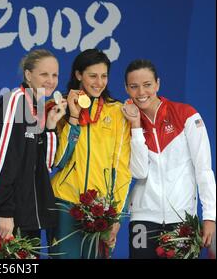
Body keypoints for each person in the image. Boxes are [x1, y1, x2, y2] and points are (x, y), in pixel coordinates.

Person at [0, 49, 67, 258]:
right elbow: (0, 160)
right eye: (44, 74)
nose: (51, 81)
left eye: (55, 75)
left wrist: (50, 126)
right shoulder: (14, 103)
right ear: (28, 75)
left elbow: (45, 165)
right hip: (7, 216)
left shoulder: (38, 108)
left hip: (28, 215)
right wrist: (5, 211)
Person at [121, 59, 216, 259]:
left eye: (147, 85)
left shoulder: (186, 115)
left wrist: (210, 217)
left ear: (158, 84)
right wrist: (136, 126)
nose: (141, 92)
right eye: (134, 86)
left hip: (182, 219)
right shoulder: (126, 122)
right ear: (126, 88)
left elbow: (204, 169)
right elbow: (139, 172)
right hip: (143, 220)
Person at [49, 49, 132, 259]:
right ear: (78, 75)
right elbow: (58, 160)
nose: (99, 82)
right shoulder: (61, 108)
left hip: (100, 210)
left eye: (104, 76)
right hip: (65, 202)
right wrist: (73, 117)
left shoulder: (117, 112)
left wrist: (117, 217)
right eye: (92, 75)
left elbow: (122, 170)